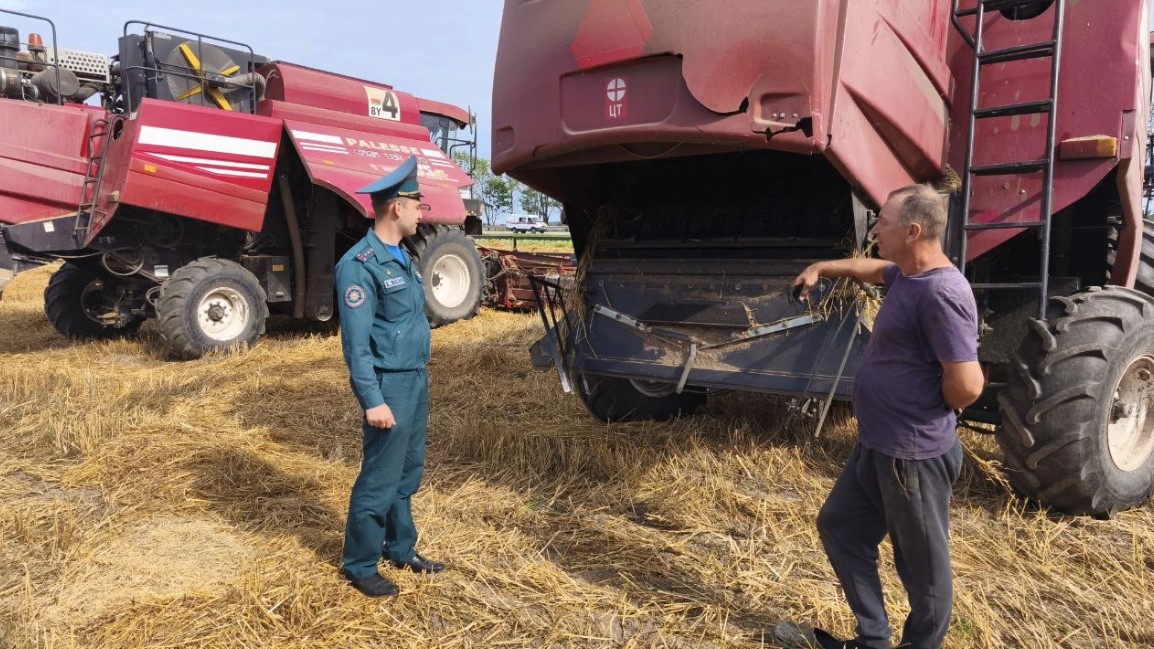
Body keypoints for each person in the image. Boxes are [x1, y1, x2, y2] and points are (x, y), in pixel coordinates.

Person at [789, 184, 984, 649]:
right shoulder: (907, 275)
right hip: (877, 445)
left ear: (913, 231)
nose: (875, 229)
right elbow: (873, 268)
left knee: (925, 576)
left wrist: (918, 403)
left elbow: (968, 385)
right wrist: (822, 267)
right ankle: (873, 639)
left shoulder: (941, 293)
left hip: (910, 456)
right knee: (840, 526)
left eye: (883, 222)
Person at [335, 156, 445, 598]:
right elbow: (356, 347)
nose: (423, 211)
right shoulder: (359, 265)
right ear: (397, 207)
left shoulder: (403, 256)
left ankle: (400, 548)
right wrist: (372, 400)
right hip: (388, 384)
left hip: (414, 379)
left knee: (406, 472)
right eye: (418, 203)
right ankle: (359, 564)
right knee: (380, 477)